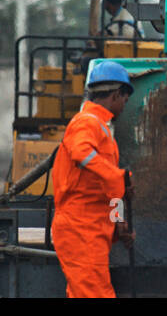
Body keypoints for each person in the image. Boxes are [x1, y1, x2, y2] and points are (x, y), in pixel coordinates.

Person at [51, 60, 135, 298]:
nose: (124, 107)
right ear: (116, 94)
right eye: (125, 101)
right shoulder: (87, 122)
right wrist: (118, 176)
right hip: (79, 228)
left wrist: (119, 223)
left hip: (92, 231)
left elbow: (111, 189)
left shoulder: (105, 132)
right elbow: (80, 153)